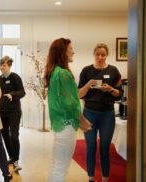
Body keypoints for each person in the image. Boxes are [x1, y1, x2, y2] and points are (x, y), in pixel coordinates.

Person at [45, 38, 92, 181]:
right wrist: (82, 121)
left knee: (57, 166)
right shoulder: (63, 73)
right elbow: (70, 103)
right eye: (70, 48)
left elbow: (72, 96)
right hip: (66, 125)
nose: (73, 51)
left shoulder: (55, 72)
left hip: (61, 125)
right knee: (60, 168)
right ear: (62, 52)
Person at [78, 43, 123, 182]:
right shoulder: (86, 71)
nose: (100, 57)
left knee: (105, 149)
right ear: (94, 54)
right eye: (97, 54)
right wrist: (88, 84)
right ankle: (91, 178)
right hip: (89, 114)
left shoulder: (114, 71)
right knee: (90, 148)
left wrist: (109, 88)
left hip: (107, 115)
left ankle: (105, 179)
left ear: (106, 55)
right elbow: (79, 94)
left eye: (103, 54)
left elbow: (119, 94)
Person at [0, 56, 25, 172]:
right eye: (0, 65)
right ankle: (11, 157)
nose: (1, 67)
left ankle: (16, 160)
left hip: (14, 111)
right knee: (4, 135)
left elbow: (22, 92)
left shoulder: (15, 77)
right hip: (2, 111)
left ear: (9, 66)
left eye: (4, 65)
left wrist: (12, 94)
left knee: (14, 135)